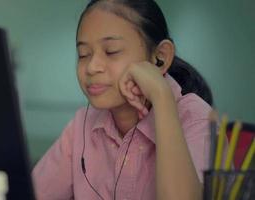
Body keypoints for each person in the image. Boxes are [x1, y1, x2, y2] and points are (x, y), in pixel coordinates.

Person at [32, 0, 214, 199]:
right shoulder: (81, 126)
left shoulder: (199, 121)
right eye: (83, 54)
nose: (92, 67)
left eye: (111, 51)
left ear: (160, 57)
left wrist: (162, 97)